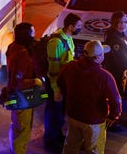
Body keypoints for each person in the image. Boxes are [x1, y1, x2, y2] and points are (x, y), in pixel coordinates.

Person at [58, 40, 121, 154]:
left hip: (73, 115)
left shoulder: (70, 66)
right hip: (94, 121)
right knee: (94, 150)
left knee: (70, 146)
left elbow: (60, 82)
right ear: (98, 58)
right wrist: (113, 116)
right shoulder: (105, 76)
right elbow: (115, 100)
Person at [44, 13, 82, 153]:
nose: (79, 28)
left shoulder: (68, 38)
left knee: (59, 114)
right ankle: (50, 142)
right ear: (70, 26)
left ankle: (57, 136)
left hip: (64, 82)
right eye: (78, 26)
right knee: (53, 114)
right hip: (56, 83)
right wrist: (56, 90)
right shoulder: (56, 42)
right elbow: (53, 70)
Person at [6, 22, 42, 154]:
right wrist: (35, 81)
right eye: (32, 32)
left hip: (15, 96)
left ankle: (14, 149)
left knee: (16, 126)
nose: (35, 35)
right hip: (22, 97)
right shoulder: (22, 54)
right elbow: (18, 82)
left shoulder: (12, 47)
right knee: (23, 131)